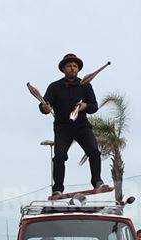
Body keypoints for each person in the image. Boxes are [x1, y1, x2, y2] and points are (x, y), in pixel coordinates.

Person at [39, 53, 108, 198]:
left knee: (94, 152)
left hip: (82, 126)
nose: (72, 68)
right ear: (63, 69)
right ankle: (57, 189)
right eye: (69, 66)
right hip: (62, 127)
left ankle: (97, 182)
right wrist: (44, 108)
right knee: (59, 156)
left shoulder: (86, 85)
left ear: (78, 69)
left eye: (75, 66)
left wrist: (85, 106)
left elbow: (94, 107)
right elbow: (45, 105)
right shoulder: (54, 86)